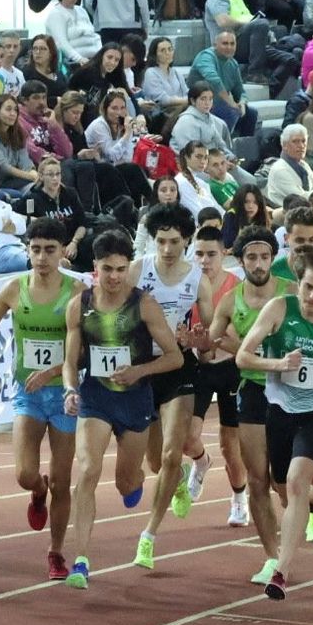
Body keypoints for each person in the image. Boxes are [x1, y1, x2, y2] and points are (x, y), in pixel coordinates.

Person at [59, 228, 184, 589]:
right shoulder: (79, 306)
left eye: (120, 269)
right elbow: (70, 361)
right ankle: (81, 560)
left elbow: (174, 357)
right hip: (96, 398)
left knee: (126, 482)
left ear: (129, 268)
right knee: (87, 470)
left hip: (134, 400)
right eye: (106, 269)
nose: (114, 277)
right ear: (94, 268)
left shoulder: (143, 304)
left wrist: (139, 370)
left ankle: (134, 480)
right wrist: (70, 389)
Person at [235, 243, 313, 600]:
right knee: (283, 489)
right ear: (298, 282)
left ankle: (281, 571)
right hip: (278, 412)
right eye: (307, 286)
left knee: (293, 483)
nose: (312, 296)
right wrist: (278, 364)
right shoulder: (279, 309)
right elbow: (243, 356)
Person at [0, 218, 85, 580]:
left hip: (64, 396)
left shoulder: (75, 293)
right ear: (27, 250)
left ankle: (56, 552)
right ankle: (36, 492)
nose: (42, 258)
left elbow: (81, 351)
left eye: (50, 251)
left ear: (62, 254)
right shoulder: (14, 288)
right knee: (25, 474)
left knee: (62, 480)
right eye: (36, 250)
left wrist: (55, 373)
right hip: (28, 393)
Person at [128, 202, 209, 569]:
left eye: (174, 242)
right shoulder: (137, 270)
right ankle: (175, 482)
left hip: (179, 367)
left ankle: (148, 536)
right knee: (155, 461)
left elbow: (210, 336)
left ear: (187, 241)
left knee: (172, 455)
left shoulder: (197, 279)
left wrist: (196, 339)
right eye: (160, 241)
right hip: (144, 369)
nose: (166, 249)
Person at [207, 226, 287, 584]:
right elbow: (212, 344)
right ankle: (273, 557)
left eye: (264, 257)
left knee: (288, 482)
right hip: (254, 392)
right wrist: (198, 342)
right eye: (251, 258)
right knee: (258, 480)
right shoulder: (230, 301)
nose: (258, 264)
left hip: (292, 394)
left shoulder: (292, 295)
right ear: (240, 261)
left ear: (273, 258)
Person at [185, 224, 247, 525]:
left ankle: (238, 498)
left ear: (224, 254)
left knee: (231, 446)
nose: (204, 261)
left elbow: (239, 342)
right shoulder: (187, 285)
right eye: (198, 254)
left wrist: (212, 340)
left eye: (211, 254)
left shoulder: (236, 288)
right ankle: (201, 461)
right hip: (199, 367)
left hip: (230, 369)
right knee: (186, 437)